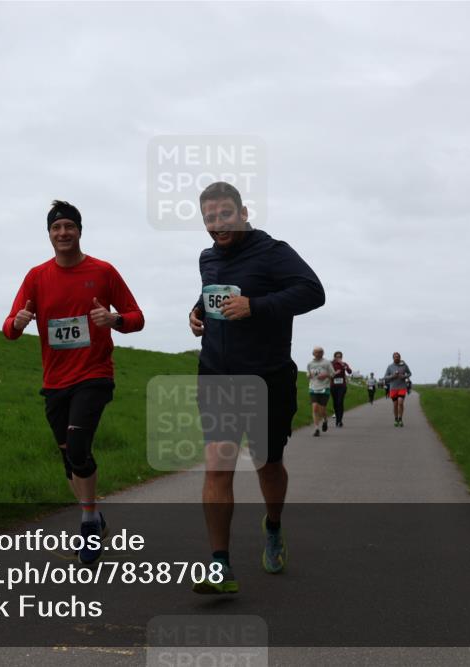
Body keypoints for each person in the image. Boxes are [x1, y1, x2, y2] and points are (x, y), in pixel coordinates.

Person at [187, 181, 324, 593]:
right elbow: (210, 295)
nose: (217, 224)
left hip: (267, 378)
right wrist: (196, 313)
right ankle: (220, 566)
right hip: (216, 376)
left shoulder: (273, 252)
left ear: (243, 212)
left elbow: (313, 292)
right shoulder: (207, 258)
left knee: (267, 465)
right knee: (217, 464)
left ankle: (274, 526)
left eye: (224, 215)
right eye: (209, 218)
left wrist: (256, 306)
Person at [3, 200, 144, 565]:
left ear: (80, 231)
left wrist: (112, 320)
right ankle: (95, 514)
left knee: (79, 446)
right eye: (56, 227)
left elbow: (136, 317)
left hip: (94, 374)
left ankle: (86, 522)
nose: (63, 233)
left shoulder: (103, 271)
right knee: (69, 457)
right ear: (49, 234)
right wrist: (17, 323)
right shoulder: (36, 277)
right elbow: (10, 329)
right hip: (55, 380)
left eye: (69, 226)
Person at [307, 348, 333, 435]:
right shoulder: (310, 363)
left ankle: (325, 420)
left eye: (320, 352)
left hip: (324, 388)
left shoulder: (327, 363)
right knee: (314, 407)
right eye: (317, 352)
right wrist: (309, 375)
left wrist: (326, 375)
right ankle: (316, 428)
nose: (319, 354)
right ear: (313, 353)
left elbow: (333, 374)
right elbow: (308, 373)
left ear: (323, 353)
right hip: (313, 387)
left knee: (322, 410)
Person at [383, 352, 412, 427]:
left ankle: (400, 419)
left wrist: (404, 376)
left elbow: (409, 373)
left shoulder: (404, 366)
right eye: (395, 357)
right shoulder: (390, 367)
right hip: (393, 388)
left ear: (400, 357)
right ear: (393, 358)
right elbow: (385, 377)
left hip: (402, 387)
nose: (396, 358)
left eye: (398, 356)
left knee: (400, 402)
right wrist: (393, 376)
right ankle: (396, 419)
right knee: (395, 405)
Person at [330, 351, 353, 426]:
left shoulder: (344, 364)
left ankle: (339, 420)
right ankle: (337, 419)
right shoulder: (331, 364)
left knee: (340, 402)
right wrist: (335, 373)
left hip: (342, 386)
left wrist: (344, 366)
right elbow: (328, 374)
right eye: (337, 356)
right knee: (335, 403)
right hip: (333, 386)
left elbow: (349, 372)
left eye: (340, 357)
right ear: (334, 357)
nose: (338, 358)